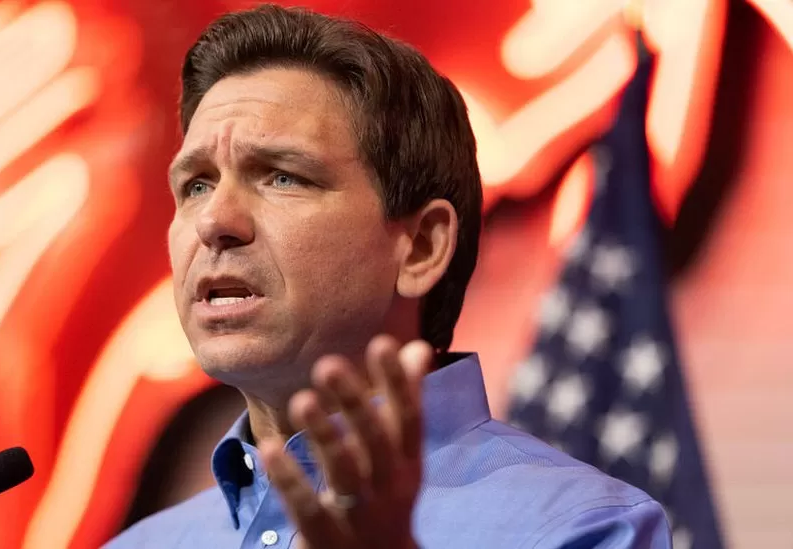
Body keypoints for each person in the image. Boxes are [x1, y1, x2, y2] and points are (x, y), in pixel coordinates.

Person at [104, 4, 671, 548]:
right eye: (196, 185)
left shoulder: (586, 529)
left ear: (421, 247)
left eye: (282, 177)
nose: (213, 222)